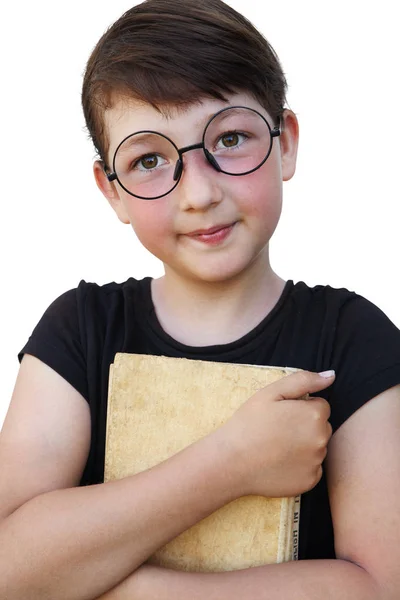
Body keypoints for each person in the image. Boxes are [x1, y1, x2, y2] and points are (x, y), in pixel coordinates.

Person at [1, 0, 400, 598]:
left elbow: (378, 587)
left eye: (231, 138)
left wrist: (124, 589)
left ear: (285, 143)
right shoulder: (78, 330)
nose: (200, 193)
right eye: (150, 160)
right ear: (112, 190)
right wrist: (230, 464)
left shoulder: (354, 336)